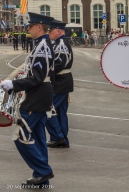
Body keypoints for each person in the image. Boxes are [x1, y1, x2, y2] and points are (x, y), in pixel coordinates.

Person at [0, 12, 55, 188]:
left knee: (20, 135)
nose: (27, 29)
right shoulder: (39, 44)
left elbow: (38, 78)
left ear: (40, 27)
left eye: (30, 26)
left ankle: (43, 170)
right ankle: (41, 179)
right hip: (38, 94)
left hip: (37, 96)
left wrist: (14, 84)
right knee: (38, 137)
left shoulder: (43, 47)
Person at [46, 19, 74, 148]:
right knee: (60, 112)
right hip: (62, 81)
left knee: (47, 109)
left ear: (58, 31)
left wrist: (43, 73)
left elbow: (57, 64)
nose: (49, 33)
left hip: (60, 81)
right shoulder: (59, 43)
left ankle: (58, 137)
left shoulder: (61, 44)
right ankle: (63, 139)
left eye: (50, 31)